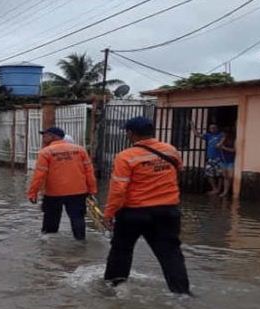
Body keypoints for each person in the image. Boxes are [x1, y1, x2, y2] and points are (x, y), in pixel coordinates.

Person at [103, 116, 191, 295]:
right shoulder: (171, 151)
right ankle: (182, 293)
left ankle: (114, 287)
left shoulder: (126, 156)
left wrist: (109, 213)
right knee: (171, 253)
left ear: (130, 133)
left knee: (121, 249)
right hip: (167, 211)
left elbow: (119, 189)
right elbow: (179, 172)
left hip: (133, 212)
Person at [27, 127, 97, 240]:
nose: (43, 137)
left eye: (45, 135)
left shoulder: (46, 152)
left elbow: (39, 175)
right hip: (78, 192)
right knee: (77, 219)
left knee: (50, 223)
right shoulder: (80, 150)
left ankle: (48, 250)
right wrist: (92, 190)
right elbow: (89, 172)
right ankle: (80, 245)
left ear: (53, 136)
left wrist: (32, 193)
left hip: (53, 193)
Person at [193, 123, 224, 194]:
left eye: (214, 128)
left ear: (217, 128)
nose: (212, 129)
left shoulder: (220, 135)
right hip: (210, 158)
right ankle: (215, 188)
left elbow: (224, 137)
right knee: (208, 173)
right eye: (211, 128)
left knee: (220, 174)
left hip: (218, 158)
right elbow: (197, 135)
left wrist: (220, 143)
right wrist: (193, 127)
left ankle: (218, 189)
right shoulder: (208, 135)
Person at [217, 130, 236, 198]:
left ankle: (228, 190)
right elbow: (217, 146)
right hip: (223, 161)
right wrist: (222, 140)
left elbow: (234, 150)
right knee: (225, 176)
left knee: (230, 176)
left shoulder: (233, 141)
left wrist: (224, 148)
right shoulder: (221, 140)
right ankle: (225, 191)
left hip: (230, 161)